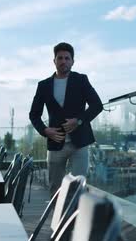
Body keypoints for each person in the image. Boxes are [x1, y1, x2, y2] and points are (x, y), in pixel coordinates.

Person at [29, 42, 103, 195]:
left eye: (67, 58)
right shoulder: (43, 85)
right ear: (54, 61)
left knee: (78, 189)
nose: (63, 61)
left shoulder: (81, 80)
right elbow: (34, 114)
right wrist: (45, 131)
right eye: (60, 58)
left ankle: (76, 219)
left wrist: (79, 120)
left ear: (72, 61)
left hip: (80, 143)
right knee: (55, 189)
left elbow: (97, 105)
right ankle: (58, 218)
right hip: (56, 142)